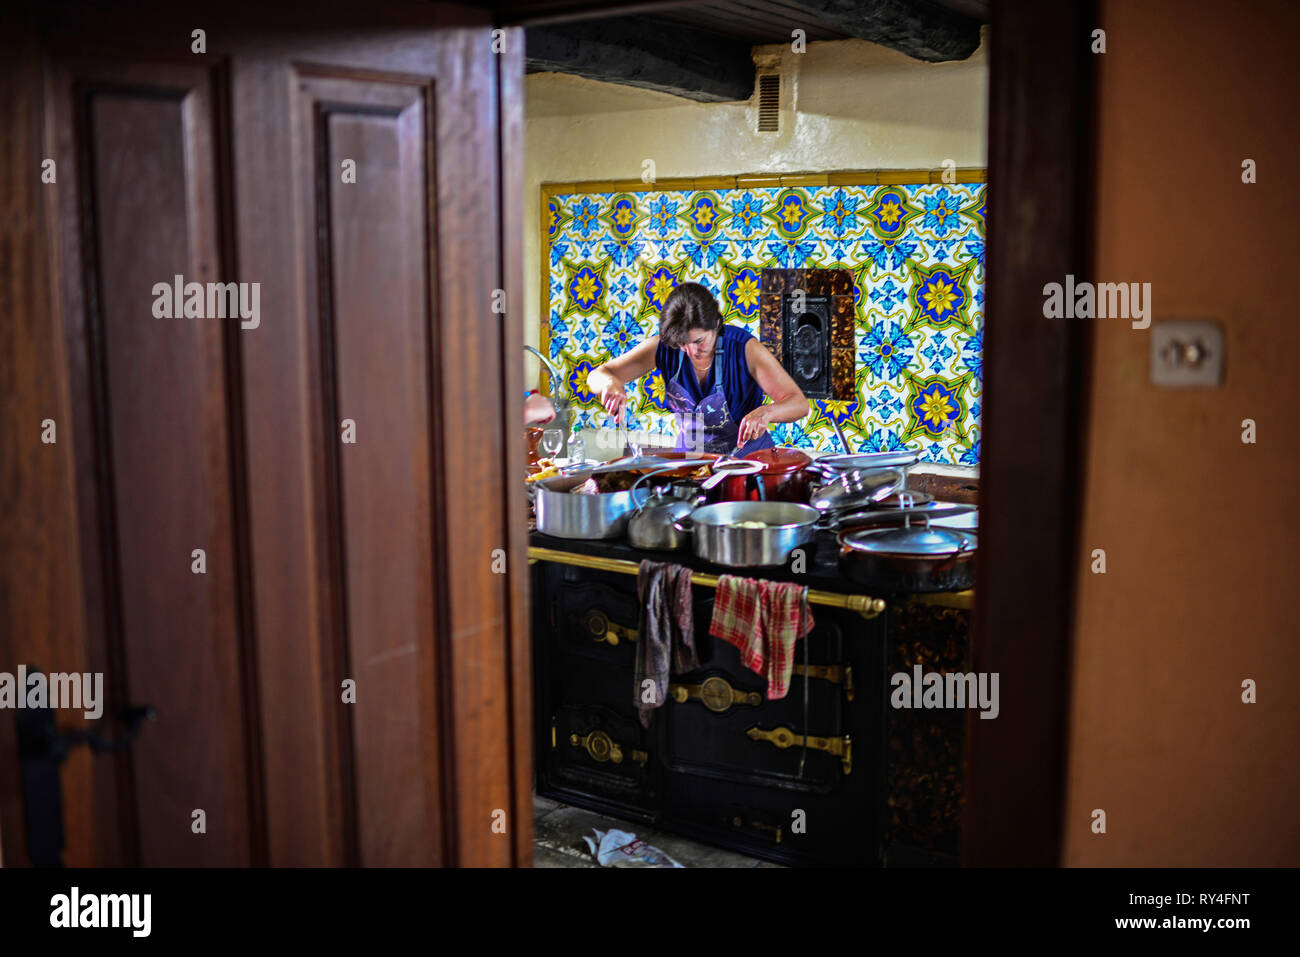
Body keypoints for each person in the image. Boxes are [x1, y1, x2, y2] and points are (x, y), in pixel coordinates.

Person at [586, 283, 809, 456]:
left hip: (745, 465)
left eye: (699, 341)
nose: (691, 351)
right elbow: (597, 374)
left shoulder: (744, 349)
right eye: (682, 344)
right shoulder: (663, 348)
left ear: (715, 325)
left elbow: (799, 403)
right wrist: (610, 384)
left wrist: (766, 413)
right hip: (690, 463)